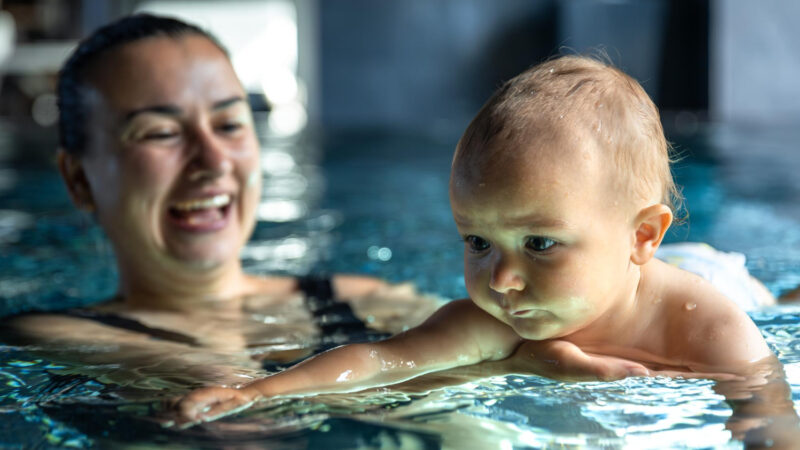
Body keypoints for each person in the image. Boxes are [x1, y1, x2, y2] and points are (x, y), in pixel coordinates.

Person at [175, 55, 786, 425]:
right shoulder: (498, 318)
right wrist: (257, 390)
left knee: (776, 304)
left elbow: (768, 416)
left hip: (711, 275)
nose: (501, 279)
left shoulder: (705, 325)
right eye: (477, 242)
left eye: (539, 244)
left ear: (642, 235)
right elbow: (384, 361)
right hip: (624, 273)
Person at [0, 14, 440, 389]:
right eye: (161, 133)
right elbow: (232, 409)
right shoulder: (56, 336)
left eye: (229, 124)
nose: (213, 162)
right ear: (79, 180)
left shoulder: (363, 299)